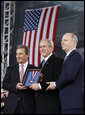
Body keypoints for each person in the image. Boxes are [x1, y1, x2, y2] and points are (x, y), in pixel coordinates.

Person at [46, 33, 84, 114]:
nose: (62, 42)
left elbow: (69, 75)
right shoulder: (68, 57)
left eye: (65, 40)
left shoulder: (76, 56)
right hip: (68, 103)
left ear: (74, 43)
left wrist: (55, 84)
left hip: (73, 104)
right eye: (62, 40)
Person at [30, 39, 63, 114]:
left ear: (51, 48)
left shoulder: (59, 62)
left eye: (44, 46)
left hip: (51, 104)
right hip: (40, 104)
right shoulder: (40, 65)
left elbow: (57, 80)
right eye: (40, 47)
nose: (42, 49)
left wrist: (40, 86)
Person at [2, 45, 36, 114]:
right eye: (17, 54)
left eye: (20, 54)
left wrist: (30, 86)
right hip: (11, 106)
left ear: (27, 55)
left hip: (27, 106)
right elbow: (4, 84)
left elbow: (35, 87)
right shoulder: (10, 69)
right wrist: (15, 86)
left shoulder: (34, 69)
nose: (18, 56)